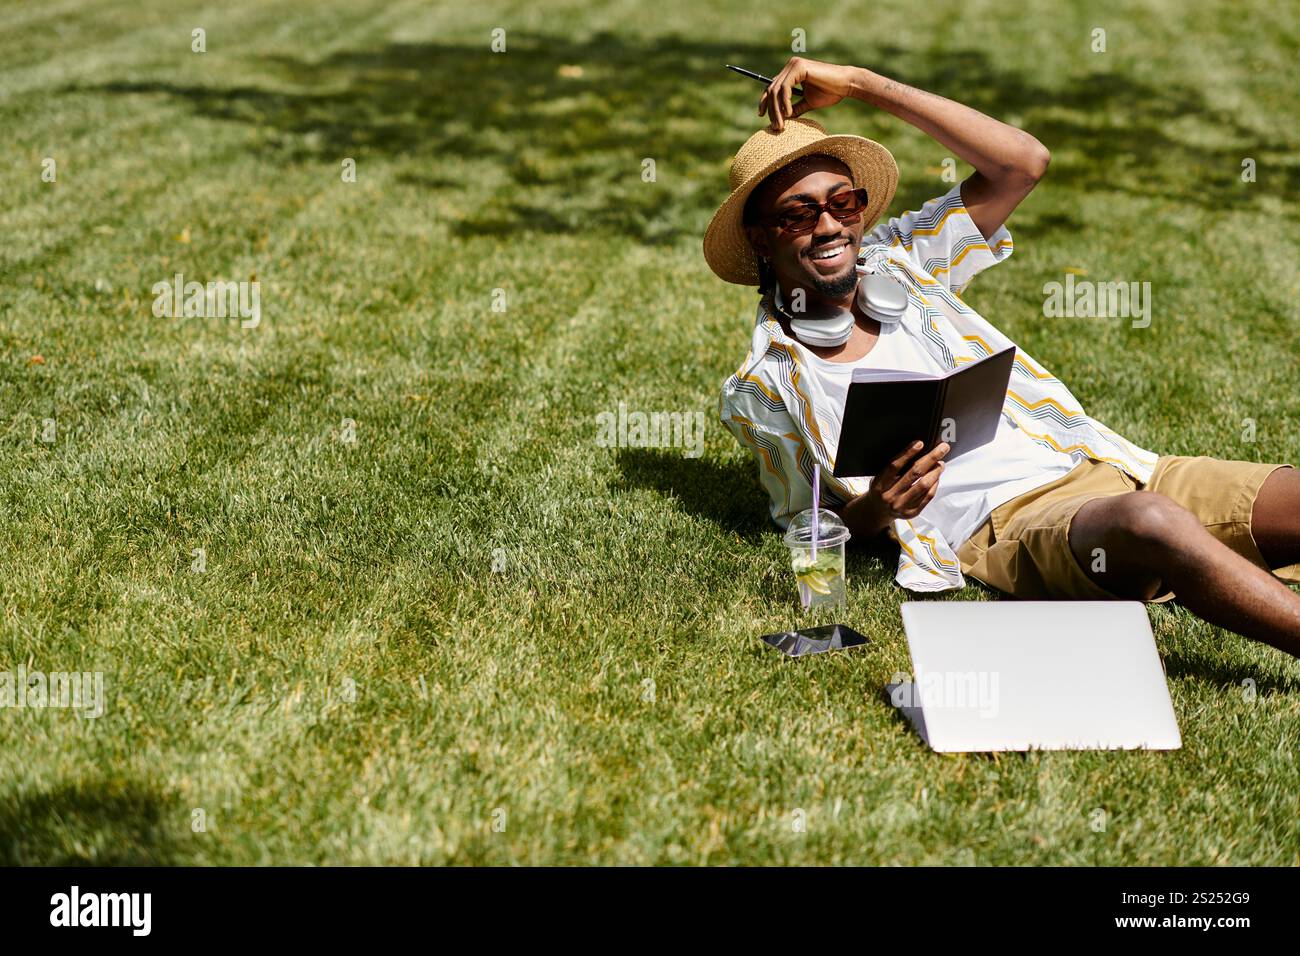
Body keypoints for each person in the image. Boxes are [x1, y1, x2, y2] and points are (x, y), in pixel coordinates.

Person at [705, 57, 1300, 657]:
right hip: (1010, 526)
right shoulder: (761, 387)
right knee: (1153, 524)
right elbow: (810, 527)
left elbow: (1021, 162)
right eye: (800, 213)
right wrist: (879, 510)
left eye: (845, 203)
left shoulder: (906, 263)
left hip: (1109, 464)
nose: (831, 225)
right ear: (761, 238)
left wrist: (860, 84)